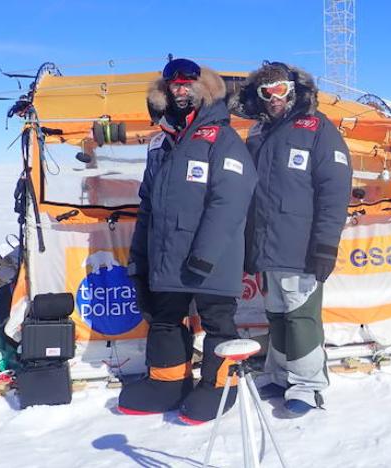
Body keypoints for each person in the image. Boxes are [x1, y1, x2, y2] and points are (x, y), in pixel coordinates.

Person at [118, 58, 257, 424]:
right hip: (167, 257)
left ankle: (219, 387)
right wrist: (140, 258)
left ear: (202, 89)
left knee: (217, 323)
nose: (180, 90)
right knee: (164, 319)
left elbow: (230, 200)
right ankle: (167, 384)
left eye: (187, 84)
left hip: (212, 258)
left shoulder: (223, 139)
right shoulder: (161, 142)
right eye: (174, 85)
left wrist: (205, 255)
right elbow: (148, 203)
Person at [229, 61, 352, 418]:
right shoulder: (257, 132)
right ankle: (280, 375)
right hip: (268, 245)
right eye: (266, 92)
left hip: (301, 246)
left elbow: (334, 190)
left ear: (294, 89)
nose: (273, 98)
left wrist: (326, 245)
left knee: (301, 317)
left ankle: (308, 386)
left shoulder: (318, 130)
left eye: (280, 90)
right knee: (278, 315)